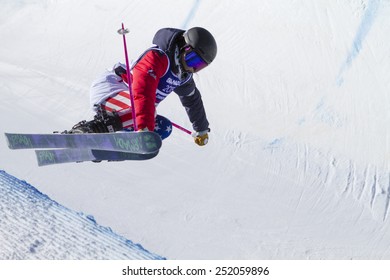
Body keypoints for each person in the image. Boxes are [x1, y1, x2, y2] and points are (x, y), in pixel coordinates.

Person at [66, 27, 217, 146]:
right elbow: (143, 91)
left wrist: (201, 129)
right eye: (192, 60)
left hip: (131, 103)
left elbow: (192, 100)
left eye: (199, 65)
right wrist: (144, 128)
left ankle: (111, 141)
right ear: (185, 47)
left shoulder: (183, 76)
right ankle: (89, 131)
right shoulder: (158, 58)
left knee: (163, 127)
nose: (192, 68)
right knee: (145, 115)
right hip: (112, 88)